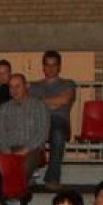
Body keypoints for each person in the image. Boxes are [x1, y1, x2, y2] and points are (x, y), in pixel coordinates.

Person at [31, 50, 77, 186]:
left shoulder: (68, 84)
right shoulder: (34, 86)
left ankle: (52, 178)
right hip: (38, 123)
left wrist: (40, 102)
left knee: (57, 134)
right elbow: (29, 104)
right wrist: (52, 103)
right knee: (24, 131)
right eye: (47, 65)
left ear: (59, 67)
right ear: (43, 67)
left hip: (59, 122)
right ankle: (28, 174)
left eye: (54, 65)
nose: (50, 68)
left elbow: (63, 100)